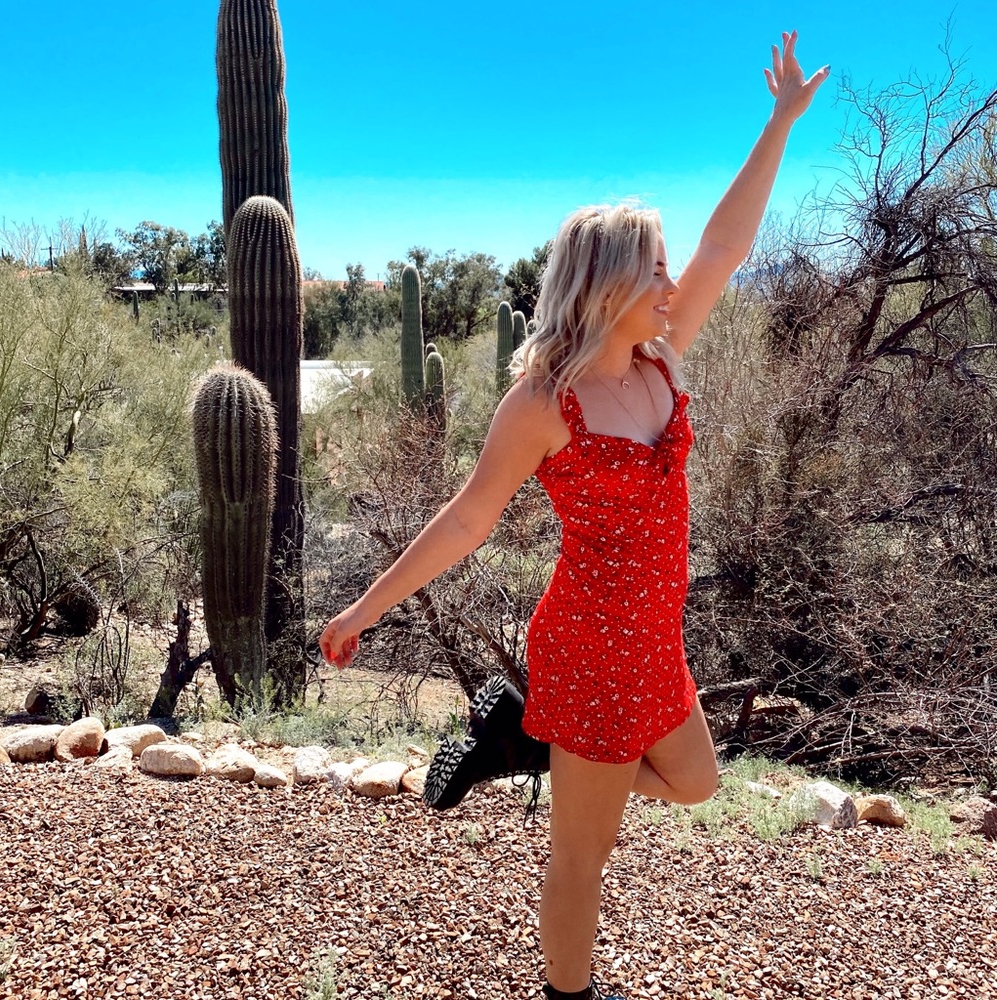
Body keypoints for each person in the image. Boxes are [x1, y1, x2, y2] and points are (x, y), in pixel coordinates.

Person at [320, 31, 828, 1000]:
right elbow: (468, 518)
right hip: (592, 643)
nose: (677, 283)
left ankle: (517, 739)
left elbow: (729, 243)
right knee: (581, 859)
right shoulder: (542, 404)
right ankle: (567, 993)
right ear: (610, 287)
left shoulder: (660, 359)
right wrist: (364, 610)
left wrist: (778, 124)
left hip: (652, 640)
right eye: (658, 269)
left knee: (697, 782)